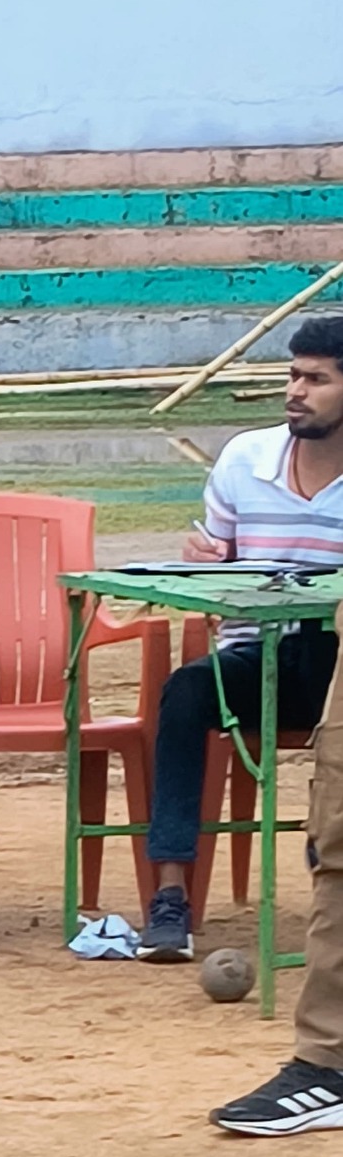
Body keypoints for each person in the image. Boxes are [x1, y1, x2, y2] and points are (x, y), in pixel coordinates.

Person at [139, 318, 343, 965]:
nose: (296, 391)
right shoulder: (242, 459)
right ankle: (168, 899)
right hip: (255, 660)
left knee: (322, 647)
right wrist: (203, 557)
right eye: (292, 375)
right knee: (186, 690)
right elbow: (215, 559)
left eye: (315, 379)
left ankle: (326, 861)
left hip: (339, 667)